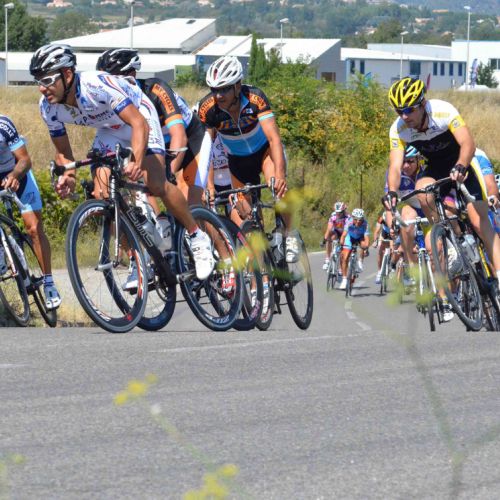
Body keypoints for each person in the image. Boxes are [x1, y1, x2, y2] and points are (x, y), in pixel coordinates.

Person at [29, 43, 214, 283]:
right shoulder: (48, 107)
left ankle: (196, 236)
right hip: (110, 129)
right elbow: (63, 152)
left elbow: (139, 124)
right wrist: (69, 176)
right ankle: (139, 260)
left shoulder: (96, 86)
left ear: (67, 74)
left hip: (139, 116)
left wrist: (137, 160)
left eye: (47, 80)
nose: (42, 88)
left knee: (156, 183)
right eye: (38, 82)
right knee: (102, 193)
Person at [385, 77, 500, 301]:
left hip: (463, 162)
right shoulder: (399, 129)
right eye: (399, 111)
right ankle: (450, 240)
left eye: (409, 110)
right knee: (422, 189)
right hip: (437, 168)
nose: (404, 116)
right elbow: (395, 166)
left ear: (422, 104)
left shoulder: (442, 111)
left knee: (479, 223)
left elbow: (468, 143)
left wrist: (461, 165)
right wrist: (391, 192)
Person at [197, 55, 299, 263]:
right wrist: (208, 185)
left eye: (224, 89)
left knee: (278, 189)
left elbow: (274, 138)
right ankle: (263, 260)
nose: (218, 95)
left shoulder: (255, 98)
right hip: (237, 161)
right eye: (214, 90)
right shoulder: (208, 108)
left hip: (264, 153)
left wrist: (280, 176)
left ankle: (290, 234)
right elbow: (206, 150)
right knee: (245, 213)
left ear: (237, 86)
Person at [95, 48, 212, 207]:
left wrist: (167, 175)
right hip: (155, 144)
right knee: (141, 184)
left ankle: (199, 223)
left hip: (192, 140)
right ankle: (158, 222)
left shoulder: (156, 89)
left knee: (191, 201)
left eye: (111, 80)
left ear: (131, 75)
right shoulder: (112, 100)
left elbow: (179, 135)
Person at [0, 115, 61, 309]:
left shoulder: (3, 124)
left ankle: (49, 283)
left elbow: (25, 160)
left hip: (17, 173)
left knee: (33, 228)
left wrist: (14, 175)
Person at [339, 208, 370, 290]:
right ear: (353, 218)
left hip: (360, 237)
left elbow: (366, 238)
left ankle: (360, 261)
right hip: (350, 237)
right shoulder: (349, 222)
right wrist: (342, 243)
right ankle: (344, 279)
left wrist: (366, 247)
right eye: (356, 219)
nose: (358, 221)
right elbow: (343, 235)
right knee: (345, 257)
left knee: (363, 245)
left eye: (360, 220)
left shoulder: (365, 224)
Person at [322, 201, 349, 271]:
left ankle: (341, 268)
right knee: (330, 237)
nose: (338, 214)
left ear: (343, 211)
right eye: (337, 212)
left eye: (340, 212)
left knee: (344, 247)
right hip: (336, 232)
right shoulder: (333, 216)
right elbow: (329, 228)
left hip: (345, 233)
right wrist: (324, 240)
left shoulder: (347, 217)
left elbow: (347, 231)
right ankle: (327, 259)